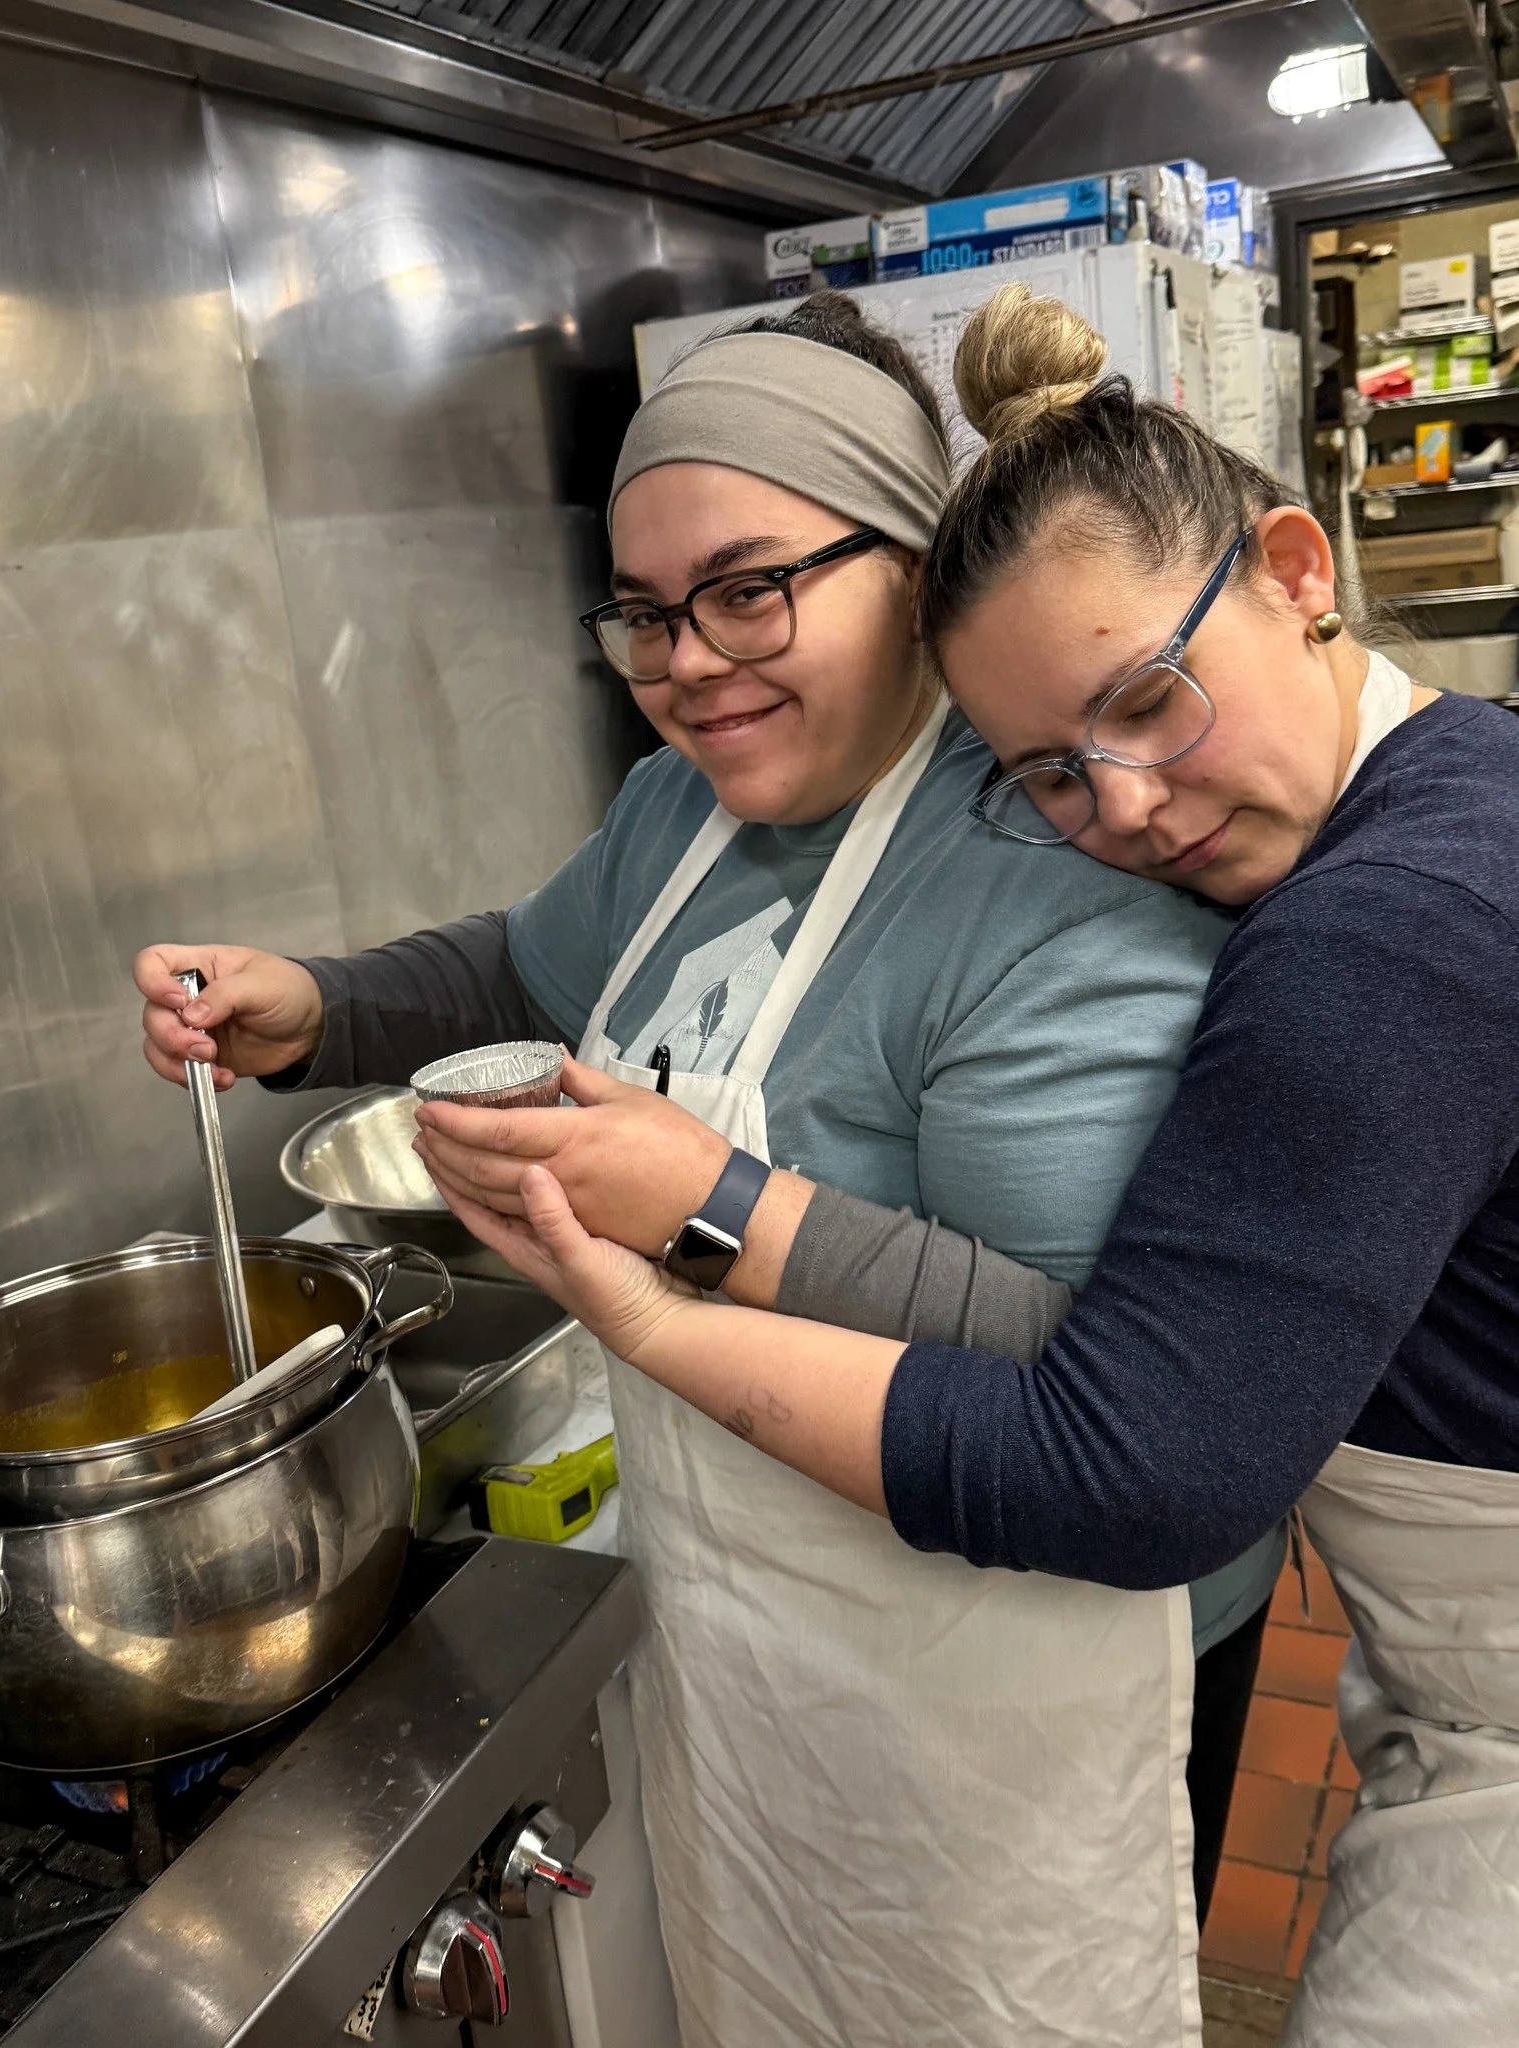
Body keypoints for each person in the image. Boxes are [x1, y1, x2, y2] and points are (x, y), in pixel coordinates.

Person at [137, 293, 1278, 2047]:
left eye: (752, 591)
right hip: (768, 1615)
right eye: (646, 614)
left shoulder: (1056, 861)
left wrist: (708, 1209)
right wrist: (320, 1004)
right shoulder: (687, 808)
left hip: (1034, 1649)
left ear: (915, 567)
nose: (687, 663)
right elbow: (533, 963)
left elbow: (1086, 1376)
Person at [422, 284, 1519, 2048]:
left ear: (1295, 570)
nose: (1127, 811)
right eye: (1053, 772)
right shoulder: (1441, 785)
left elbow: (1129, 1459)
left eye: (1151, 700)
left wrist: (668, 1278)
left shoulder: (1378, 931)